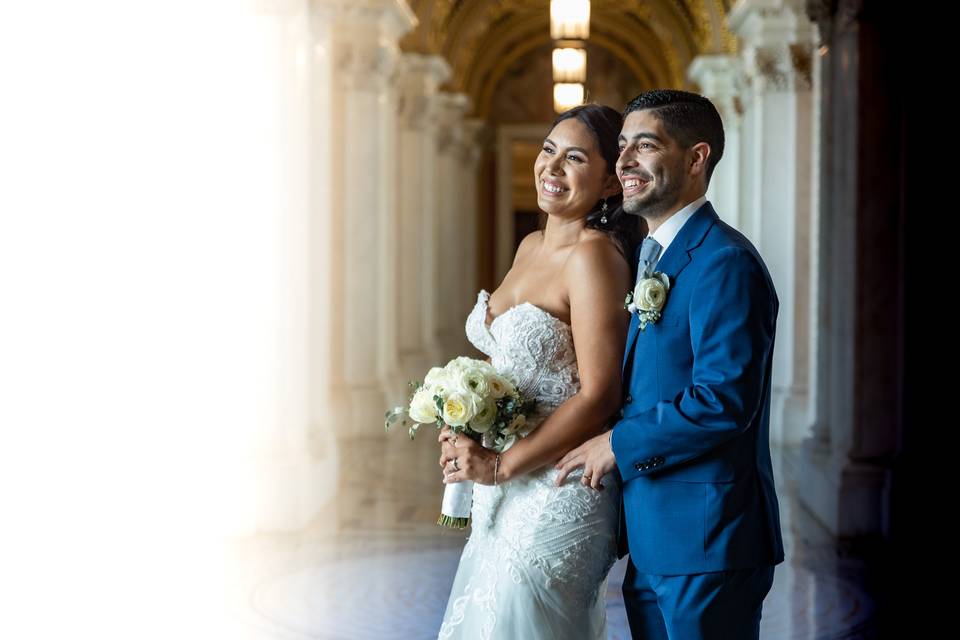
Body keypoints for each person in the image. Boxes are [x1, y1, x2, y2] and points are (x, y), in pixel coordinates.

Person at [555, 89, 785, 639]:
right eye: (622, 146)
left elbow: (723, 401)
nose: (625, 161)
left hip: (709, 542)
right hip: (656, 539)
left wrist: (617, 443)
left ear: (696, 157)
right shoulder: (651, 258)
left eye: (645, 145)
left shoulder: (723, 261)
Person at [435, 103, 639, 639]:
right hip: (500, 483)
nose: (551, 168)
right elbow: (508, 357)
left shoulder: (595, 258)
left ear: (610, 184)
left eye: (574, 158)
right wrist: (467, 413)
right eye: (549, 150)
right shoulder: (530, 245)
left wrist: (502, 465)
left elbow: (599, 394)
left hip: (557, 486)